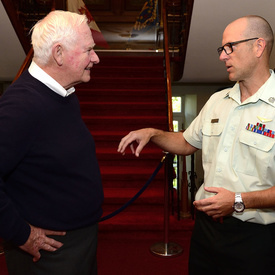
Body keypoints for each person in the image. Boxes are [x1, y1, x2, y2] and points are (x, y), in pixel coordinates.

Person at [118, 15, 275, 274]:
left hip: (255, 238)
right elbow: (186, 142)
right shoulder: (217, 100)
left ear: (258, 46)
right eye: (221, 49)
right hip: (206, 230)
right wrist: (153, 133)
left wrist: (238, 200)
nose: (222, 56)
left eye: (230, 47)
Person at [1, 10, 103, 275]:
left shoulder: (64, 93)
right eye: (88, 50)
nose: (96, 58)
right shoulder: (20, 106)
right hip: (50, 254)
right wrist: (21, 234)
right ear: (59, 54)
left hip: (77, 242)